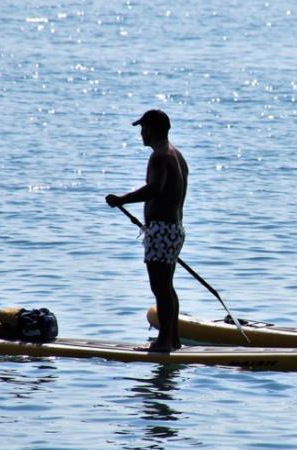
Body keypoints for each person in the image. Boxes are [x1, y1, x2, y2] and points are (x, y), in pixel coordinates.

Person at [106, 109, 189, 351]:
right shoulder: (177, 155)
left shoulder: (159, 157)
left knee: (160, 287)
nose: (141, 133)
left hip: (162, 230)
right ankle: (173, 340)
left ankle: (164, 342)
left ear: (152, 129)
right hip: (174, 229)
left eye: (143, 128)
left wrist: (121, 199)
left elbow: (154, 189)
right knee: (166, 286)